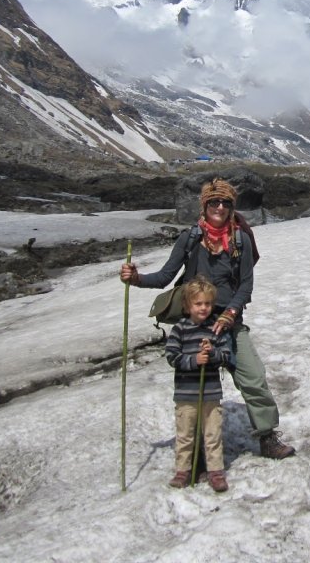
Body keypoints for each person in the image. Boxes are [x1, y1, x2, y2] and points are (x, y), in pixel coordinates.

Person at [122, 178, 296, 459]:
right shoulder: (190, 238)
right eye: (214, 202)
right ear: (204, 205)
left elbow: (245, 285)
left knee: (254, 378)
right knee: (198, 391)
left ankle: (266, 436)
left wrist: (230, 313)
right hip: (195, 325)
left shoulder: (240, 240)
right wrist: (137, 279)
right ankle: (200, 450)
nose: (219, 207)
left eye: (225, 202)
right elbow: (165, 277)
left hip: (230, 321)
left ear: (231, 207)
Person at [166, 276, 235, 492]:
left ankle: (215, 471)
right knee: (185, 434)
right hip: (186, 394)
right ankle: (183, 470)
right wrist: (194, 360)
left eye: (207, 304)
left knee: (212, 434)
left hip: (211, 394)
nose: (203, 308)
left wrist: (212, 354)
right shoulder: (180, 329)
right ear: (188, 305)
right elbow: (172, 356)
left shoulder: (215, 329)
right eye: (198, 304)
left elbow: (226, 356)